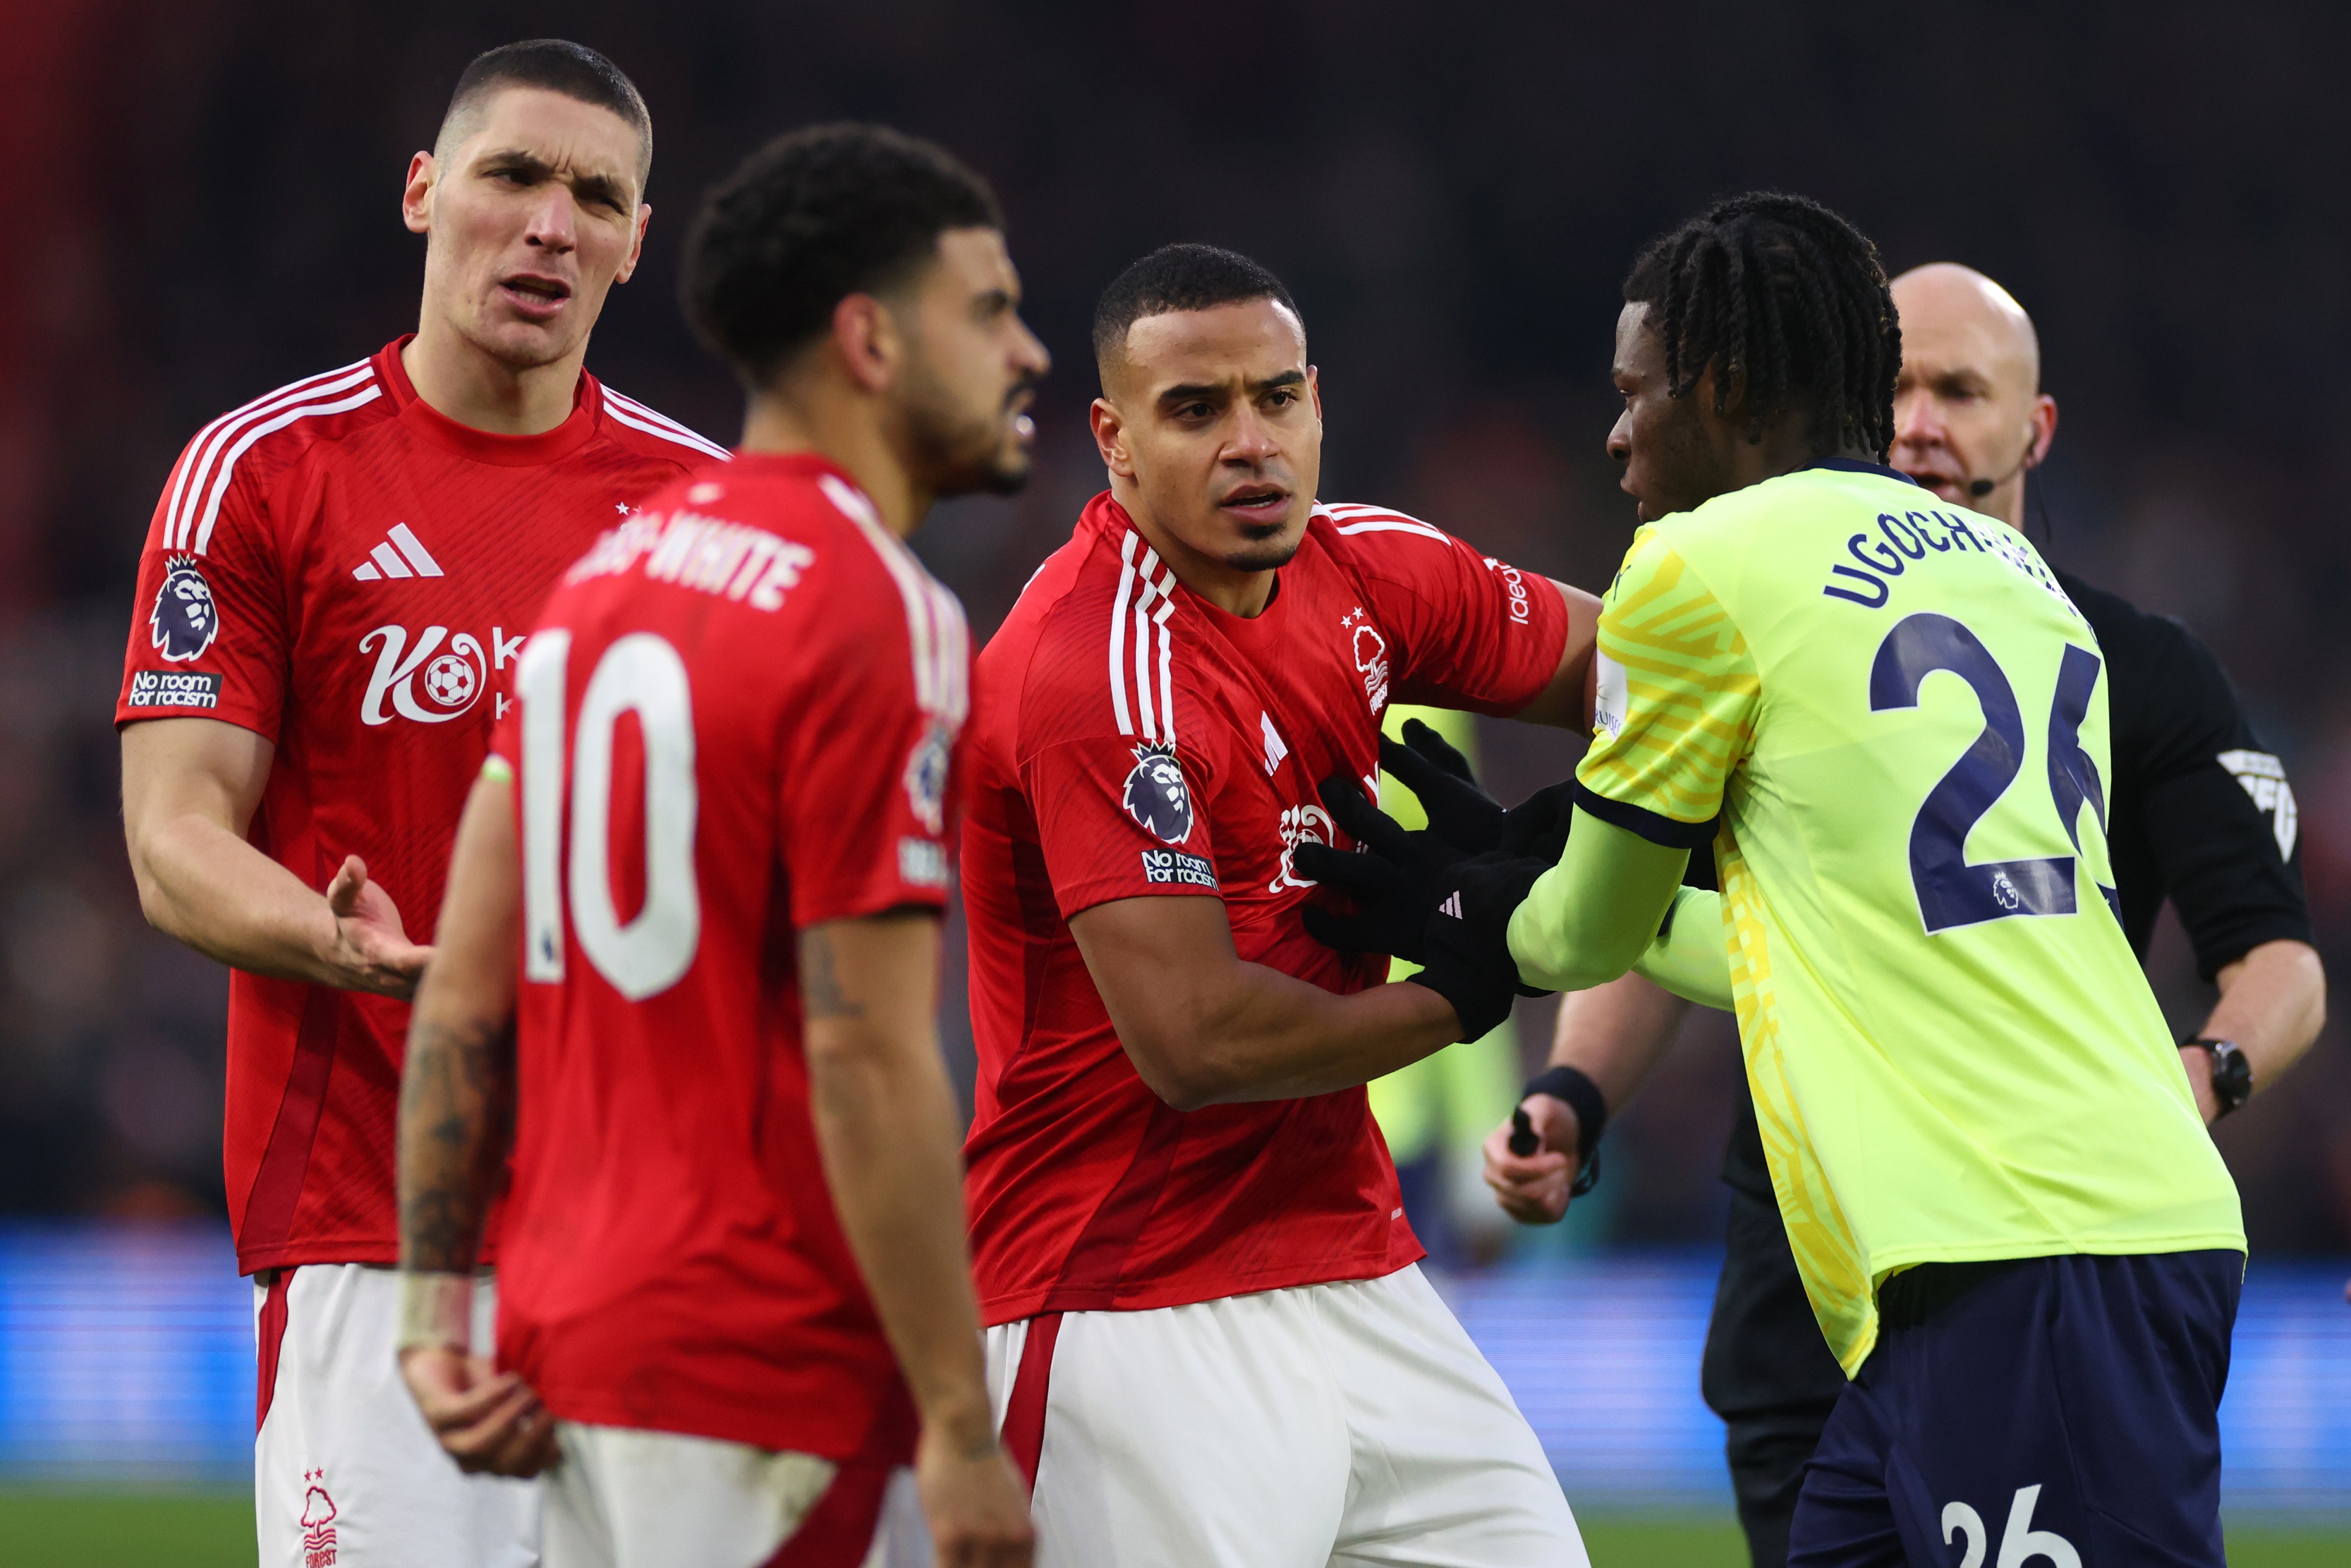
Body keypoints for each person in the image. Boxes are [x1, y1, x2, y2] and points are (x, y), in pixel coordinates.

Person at [1327, 193, 2248, 1567]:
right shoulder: (2012, 570)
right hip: (2042, 1239)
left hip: (2026, 1251)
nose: (1615, 435)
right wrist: (1510, 869)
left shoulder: (1697, 566)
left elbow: (1583, 930)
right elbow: (1817, 941)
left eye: (1632, 393)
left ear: (1720, 387)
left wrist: (1455, 901)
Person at [393, 123, 1046, 1568]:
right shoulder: (874, 606)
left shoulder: (598, 587)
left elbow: (465, 988)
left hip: (566, 1345)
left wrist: (434, 1317)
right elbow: (864, 1052)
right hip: (764, 1361)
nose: (1029, 354)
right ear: (871, 340)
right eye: (990, 310)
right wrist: (958, 1420)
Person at [114, 39, 722, 1567]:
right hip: (380, 1230)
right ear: (422, 192)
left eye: (596, 198)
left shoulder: (712, 520)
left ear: (634, 243)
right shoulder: (265, 473)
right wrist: (346, 946)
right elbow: (174, 840)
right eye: (512, 175)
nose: (550, 225)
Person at [958, 243, 1598, 1566]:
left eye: (1276, 398)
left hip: (1354, 1265)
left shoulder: (1364, 570)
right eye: (1195, 410)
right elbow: (1196, 1042)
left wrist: (1603, 835)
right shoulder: (1097, 667)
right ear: (1114, 441)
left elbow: (1647, 672)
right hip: (1125, 1294)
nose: (1249, 444)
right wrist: (1470, 981)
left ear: (1317, 402)